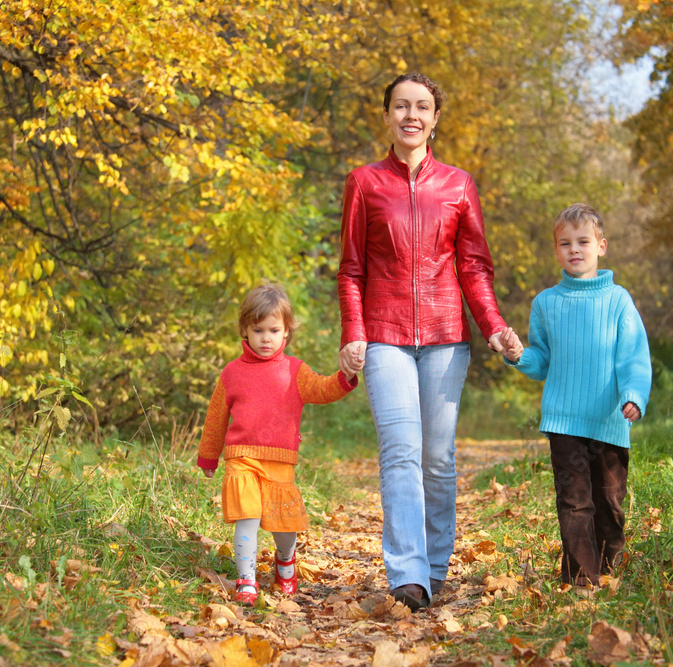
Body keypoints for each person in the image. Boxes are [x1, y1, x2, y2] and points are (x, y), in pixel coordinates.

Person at [337, 72, 509, 611]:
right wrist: (353, 333)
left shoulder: (458, 184)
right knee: (401, 453)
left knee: (437, 458)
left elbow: (474, 265)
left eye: (422, 107)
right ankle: (408, 575)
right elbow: (350, 269)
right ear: (387, 115)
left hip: (445, 336)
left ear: (435, 119)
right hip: (384, 334)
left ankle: (436, 566)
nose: (411, 115)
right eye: (401, 106)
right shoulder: (364, 182)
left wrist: (494, 326)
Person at [499, 202, 652, 588]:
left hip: (609, 420)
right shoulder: (546, 303)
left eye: (583, 241)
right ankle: (581, 579)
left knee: (609, 505)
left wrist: (634, 394)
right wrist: (518, 355)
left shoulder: (618, 301)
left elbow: (633, 356)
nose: (575, 249)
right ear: (556, 251)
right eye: (565, 243)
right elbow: (542, 361)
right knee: (574, 501)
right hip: (564, 419)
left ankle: (607, 571)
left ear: (602, 246)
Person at [197, 283, 359, 605]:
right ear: (245, 329)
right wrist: (208, 456)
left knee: (283, 526)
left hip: (280, 461)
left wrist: (345, 377)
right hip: (241, 458)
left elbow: (323, 390)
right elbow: (216, 417)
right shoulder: (232, 373)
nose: (266, 338)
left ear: (286, 332)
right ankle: (247, 580)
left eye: (274, 330)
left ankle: (285, 561)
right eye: (258, 330)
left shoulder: (295, 370)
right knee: (248, 517)